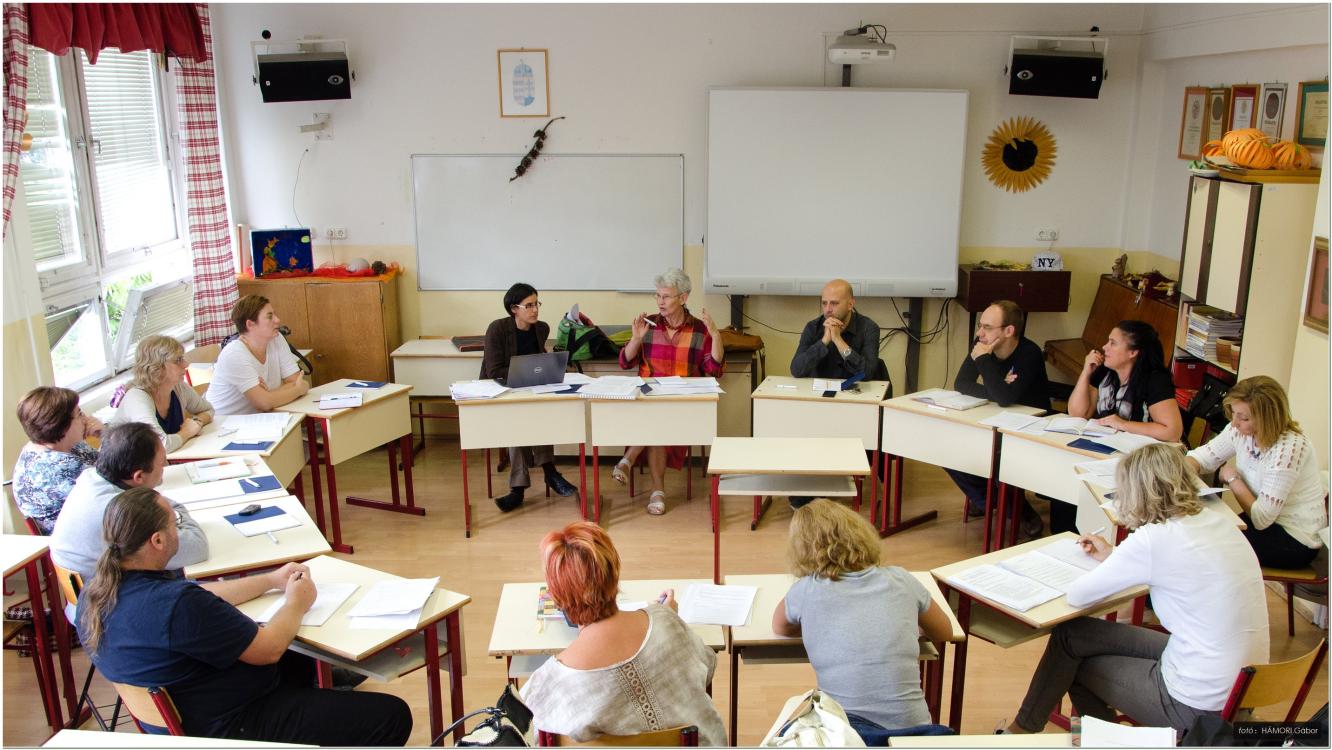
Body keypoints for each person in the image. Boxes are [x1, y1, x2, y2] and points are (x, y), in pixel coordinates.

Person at [78, 487, 412, 744]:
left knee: (304, 660)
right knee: (392, 715)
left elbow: (204, 594)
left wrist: (271, 580)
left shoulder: (95, 592)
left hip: (185, 716)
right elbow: (268, 649)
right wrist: (296, 602)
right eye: (174, 523)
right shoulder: (178, 606)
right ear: (158, 540)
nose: (179, 530)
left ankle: (325, 697)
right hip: (231, 726)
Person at [1003, 444, 1268, 736]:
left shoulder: (1155, 538)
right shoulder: (1219, 522)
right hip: (1242, 688)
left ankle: (1042, 734)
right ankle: (1024, 730)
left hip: (1196, 705)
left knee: (1073, 665)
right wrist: (1114, 555)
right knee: (1071, 634)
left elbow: (1078, 595)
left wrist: (1120, 558)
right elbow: (1174, 566)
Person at [521, 522, 726, 745]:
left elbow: (532, 739)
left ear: (556, 596)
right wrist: (668, 620)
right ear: (614, 573)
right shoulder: (666, 621)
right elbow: (707, 667)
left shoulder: (544, 687)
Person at [772, 500, 954, 745]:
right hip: (913, 733)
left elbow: (780, 627)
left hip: (848, 734)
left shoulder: (805, 590)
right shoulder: (902, 580)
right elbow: (944, 632)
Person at [1185, 376, 1326, 569]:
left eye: (1244, 418)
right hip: (1262, 523)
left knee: (1205, 545)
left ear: (1267, 418)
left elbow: (1261, 519)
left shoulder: (1289, 449)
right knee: (1196, 531)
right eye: (1234, 413)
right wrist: (1184, 475)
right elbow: (1200, 458)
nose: (1235, 423)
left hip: (1294, 539)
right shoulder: (1240, 431)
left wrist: (1233, 479)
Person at [614, 269, 724, 515]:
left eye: (666, 296)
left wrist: (716, 335)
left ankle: (629, 460)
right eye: (657, 295)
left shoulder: (699, 329)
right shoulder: (649, 325)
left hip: (682, 404)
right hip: (648, 401)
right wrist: (636, 339)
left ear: (683, 298)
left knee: (659, 420)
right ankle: (657, 491)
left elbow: (714, 368)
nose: (660, 301)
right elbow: (625, 362)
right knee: (657, 419)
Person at [1060, 320, 1182, 532]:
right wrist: (1086, 372)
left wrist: (1124, 424)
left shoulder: (1155, 380)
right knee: (1067, 483)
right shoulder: (1105, 372)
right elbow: (1078, 413)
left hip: (1145, 464)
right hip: (1109, 452)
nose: (1104, 347)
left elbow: (1172, 431)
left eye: (1113, 343)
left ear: (1133, 352)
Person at [50, 422, 206, 581]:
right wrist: (178, 513)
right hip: (110, 592)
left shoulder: (91, 478)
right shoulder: (122, 510)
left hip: (96, 582)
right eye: (161, 463)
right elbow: (196, 548)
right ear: (139, 476)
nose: (164, 467)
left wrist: (167, 512)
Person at [944, 301, 1051, 523]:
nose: (980, 333)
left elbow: (1005, 398)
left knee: (997, 458)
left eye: (987, 327)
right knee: (948, 451)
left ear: (1009, 330)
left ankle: (1009, 509)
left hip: (1031, 427)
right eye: (980, 326)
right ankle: (1004, 506)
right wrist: (999, 389)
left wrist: (985, 363)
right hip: (996, 419)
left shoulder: (1029, 353)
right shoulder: (982, 344)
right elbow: (962, 383)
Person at [480, 283, 579, 512]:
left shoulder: (541, 328)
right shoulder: (497, 329)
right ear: (514, 309)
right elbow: (494, 371)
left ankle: (548, 473)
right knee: (517, 420)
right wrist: (527, 370)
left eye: (537, 304)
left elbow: (538, 363)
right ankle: (520, 487)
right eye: (529, 305)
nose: (535, 310)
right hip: (501, 391)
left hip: (529, 389)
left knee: (540, 413)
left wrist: (553, 365)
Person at [12, 387, 103, 534]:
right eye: (79, 414)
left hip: (97, 524)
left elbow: (109, 467)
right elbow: (117, 486)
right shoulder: (57, 468)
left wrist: (105, 435)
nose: (86, 418)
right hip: (81, 541)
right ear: (60, 425)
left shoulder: (60, 445)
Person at [110, 335, 215, 452]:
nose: (186, 364)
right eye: (178, 360)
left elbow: (208, 409)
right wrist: (187, 432)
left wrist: (197, 422)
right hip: (128, 462)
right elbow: (160, 446)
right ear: (156, 367)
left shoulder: (178, 387)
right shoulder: (137, 397)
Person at [208, 295, 309, 416]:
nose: (277, 320)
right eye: (269, 316)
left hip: (257, 418)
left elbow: (296, 380)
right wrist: (298, 390)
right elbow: (264, 403)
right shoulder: (234, 353)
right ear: (250, 324)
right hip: (223, 422)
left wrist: (269, 396)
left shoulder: (276, 338)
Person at [790, 279, 881, 380]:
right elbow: (796, 370)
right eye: (824, 303)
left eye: (834, 303)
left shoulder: (868, 327)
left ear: (850, 304)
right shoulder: (813, 327)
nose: (828, 309)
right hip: (821, 389)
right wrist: (824, 342)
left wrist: (838, 340)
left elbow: (867, 373)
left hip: (855, 389)